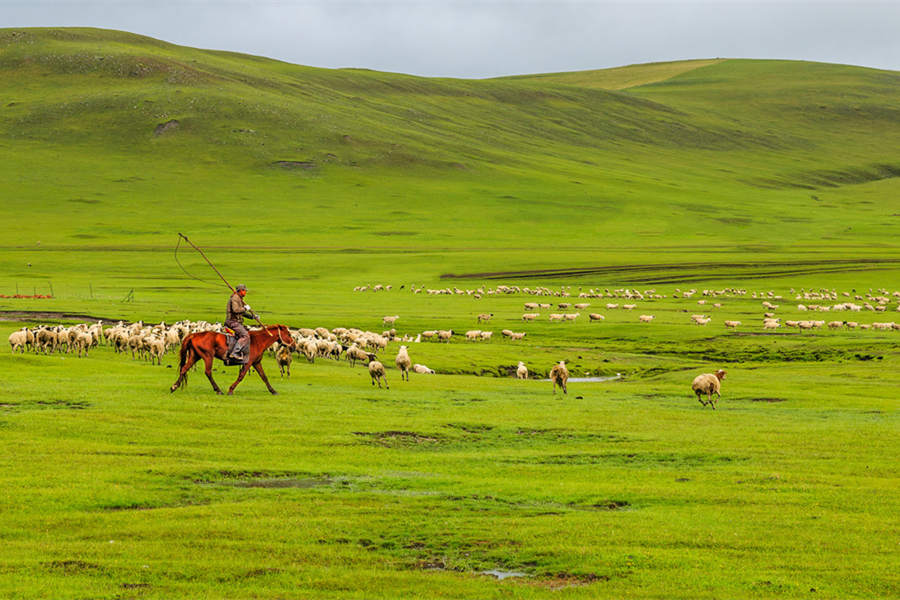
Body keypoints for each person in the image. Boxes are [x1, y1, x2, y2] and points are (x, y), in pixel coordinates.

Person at [225, 284, 257, 360]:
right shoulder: (235, 298)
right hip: (232, 321)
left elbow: (242, 313)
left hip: (237, 321)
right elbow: (236, 310)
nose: (245, 292)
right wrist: (245, 308)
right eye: (244, 290)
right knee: (245, 335)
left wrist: (252, 317)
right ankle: (234, 353)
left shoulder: (239, 298)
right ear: (241, 291)